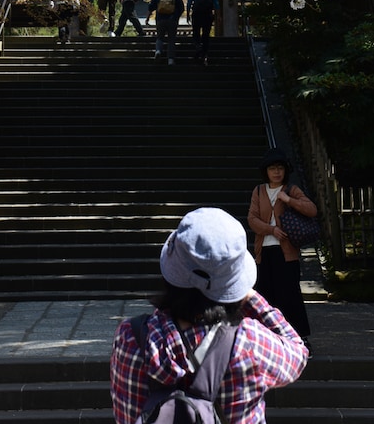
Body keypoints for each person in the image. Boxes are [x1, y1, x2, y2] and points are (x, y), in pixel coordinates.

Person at [110, 206, 307, 424]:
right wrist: (250, 298)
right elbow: (297, 352)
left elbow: (126, 416)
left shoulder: (132, 337)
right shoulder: (249, 342)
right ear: (232, 285)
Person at [247, 148, 317, 346]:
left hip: (287, 254)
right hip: (264, 252)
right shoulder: (259, 190)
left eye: (280, 168)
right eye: (272, 168)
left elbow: (312, 210)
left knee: (290, 295)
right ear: (266, 171)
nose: (276, 172)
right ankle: (268, 338)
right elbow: (252, 219)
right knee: (266, 295)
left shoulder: (291, 189)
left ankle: (300, 338)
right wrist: (271, 230)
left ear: (285, 170)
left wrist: (289, 200)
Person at [144, 0, 184, 65]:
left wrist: (147, 19)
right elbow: (181, 8)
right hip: (172, 20)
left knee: (160, 38)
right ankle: (170, 59)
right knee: (171, 40)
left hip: (160, 19)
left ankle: (158, 51)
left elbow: (151, 7)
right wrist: (176, 17)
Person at [186, 0, 221, 65]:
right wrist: (218, 15)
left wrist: (188, 14)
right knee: (206, 35)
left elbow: (189, 3)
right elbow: (216, 3)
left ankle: (198, 47)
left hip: (196, 14)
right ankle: (205, 54)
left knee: (196, 32)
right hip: (208, 14)